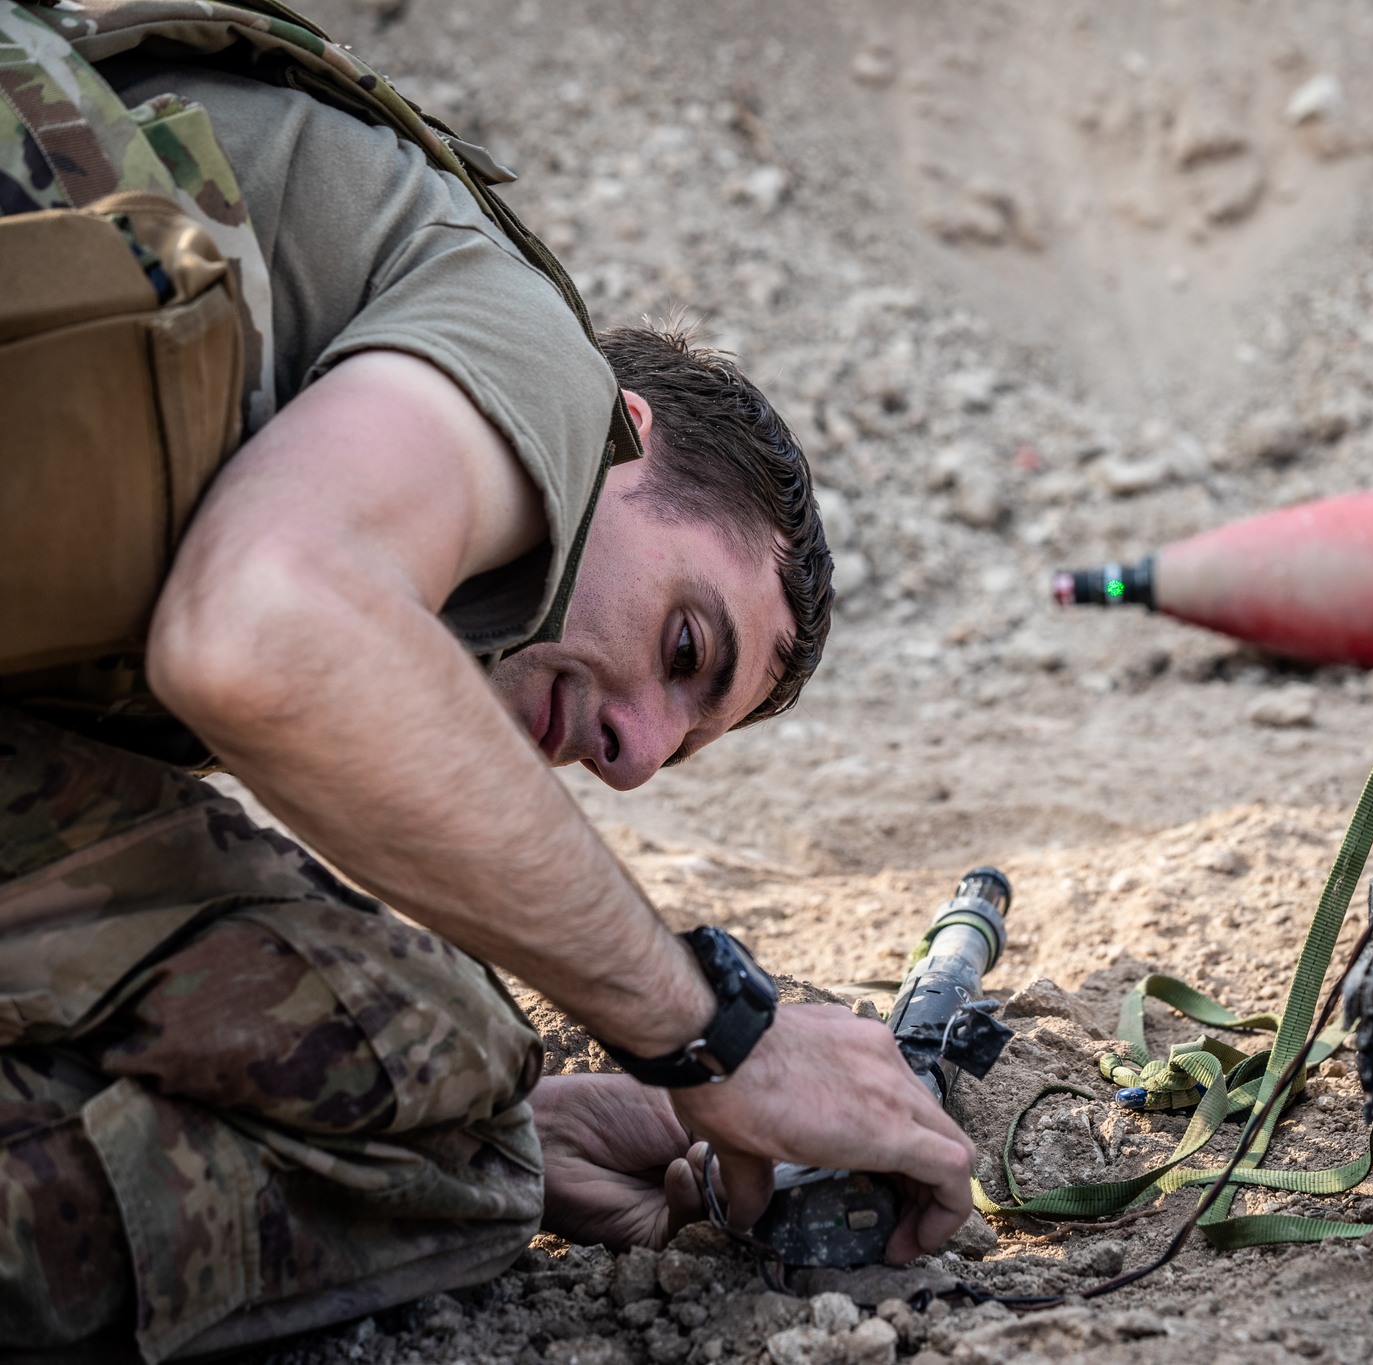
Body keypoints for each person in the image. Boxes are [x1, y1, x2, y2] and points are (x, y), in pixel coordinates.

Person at [0, 31, 973, 1364]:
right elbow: (263, 628)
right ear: (626, 435)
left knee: (452, 1104)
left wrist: (519, 1128)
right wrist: (713, 1037)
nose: (634, 754)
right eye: (687, 647)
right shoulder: (532, 353)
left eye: (678, 747)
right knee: (434, 1078)